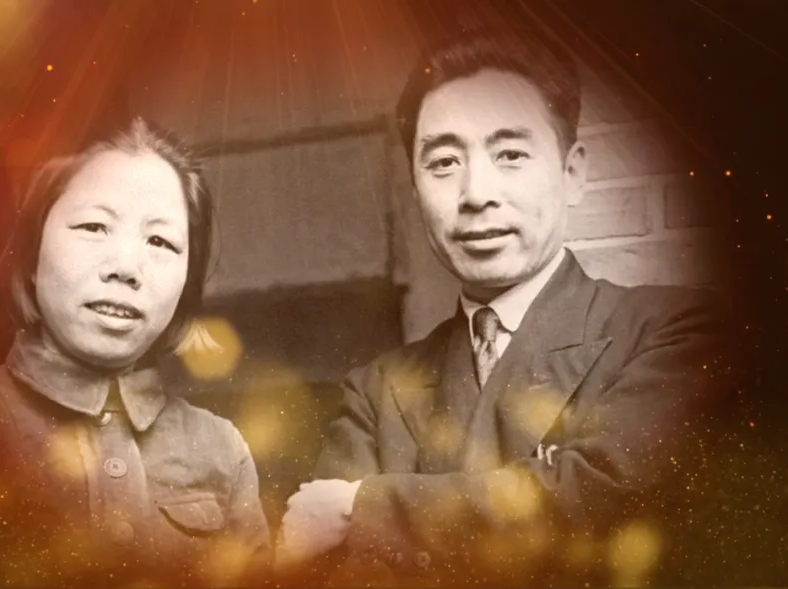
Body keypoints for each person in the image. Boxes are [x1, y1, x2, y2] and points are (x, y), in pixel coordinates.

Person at [276, 25, 733, 587]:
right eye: (444, 162)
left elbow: (608, 497)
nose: (476, 194)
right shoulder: (376, 391)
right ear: (415, 188)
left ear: (572, 173)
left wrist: (361, 507)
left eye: (510, 154)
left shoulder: (674, 331)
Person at [0, 117, 270, 587]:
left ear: (186, 280)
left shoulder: (220, 449)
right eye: (95, 226)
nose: (126, 267)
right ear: (33, 252)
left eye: (160, 241)